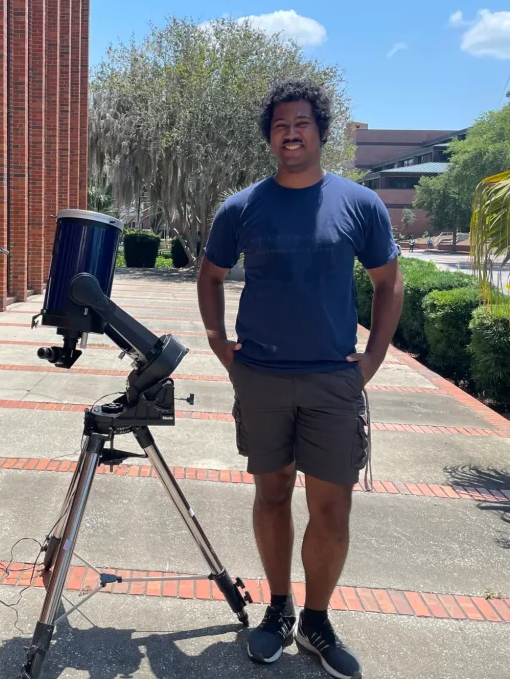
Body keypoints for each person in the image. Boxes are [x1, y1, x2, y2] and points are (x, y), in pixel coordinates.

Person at [197, 78, 403, 678]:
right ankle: (278, 609)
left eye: (302, 123)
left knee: (332, 507)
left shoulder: (358, 204)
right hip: (259, 377)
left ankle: (316, 620)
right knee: (271, 494)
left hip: (332, 383)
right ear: (271, 137)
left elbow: (389, 285)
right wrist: (220, 345)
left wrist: (371, 362)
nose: (291, 132)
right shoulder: (241, 208)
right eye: (281, 124)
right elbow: (210, 277)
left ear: (320, 132)